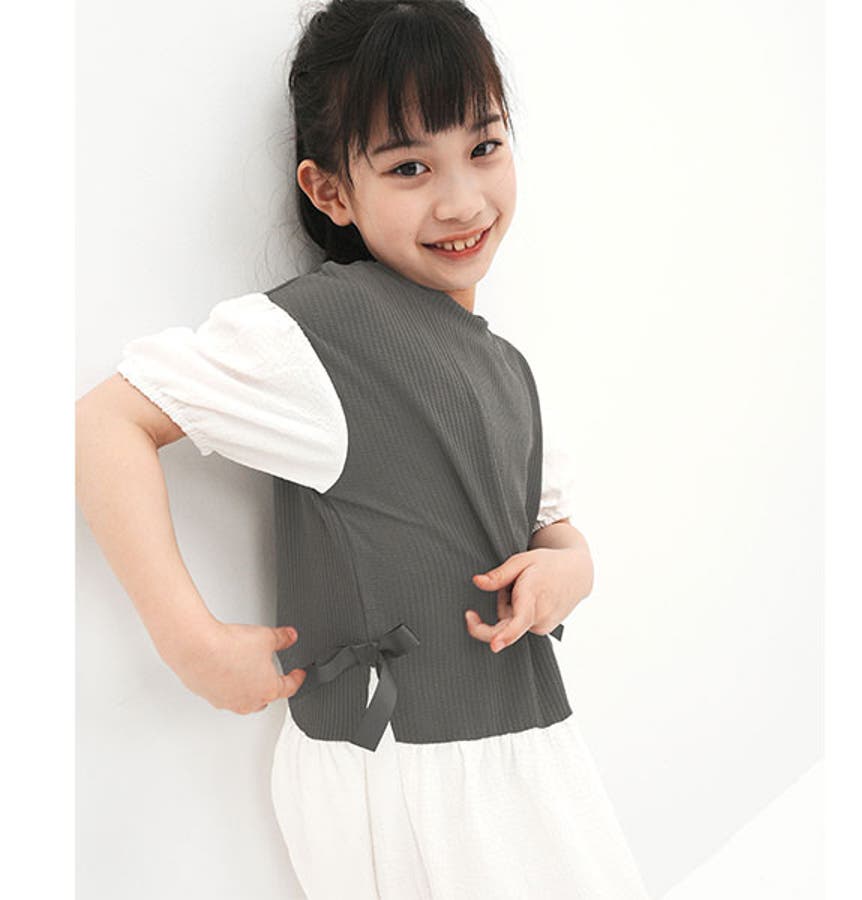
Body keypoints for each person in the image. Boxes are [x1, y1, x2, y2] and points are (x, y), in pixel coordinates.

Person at [75, 1, 652, 897]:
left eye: (484, 147)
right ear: (331, 192)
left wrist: (567, 570)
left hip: (522, 752)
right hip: (411, 772)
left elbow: (551, 525)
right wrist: (188, 638)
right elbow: (103, 422)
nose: (461, 200)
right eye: (410, 166)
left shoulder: (505, 365)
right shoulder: (325, 333)